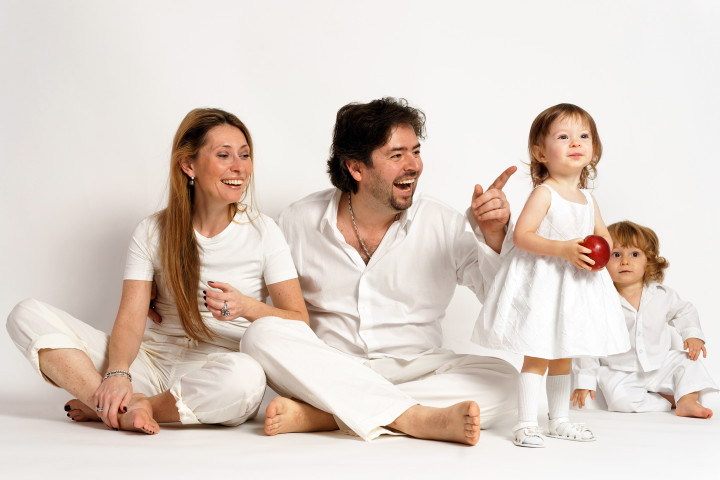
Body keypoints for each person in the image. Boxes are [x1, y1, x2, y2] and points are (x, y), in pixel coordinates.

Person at [6, 108, 308, 434]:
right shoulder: (152, 230)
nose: (240, 167)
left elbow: (298, 321)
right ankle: (111, 402)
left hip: (217, 369)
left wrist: (247, 306)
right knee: (25, 315)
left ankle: (134, 406)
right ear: (188, 165)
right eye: (224, 155)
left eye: (245, 155)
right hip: (149, 363)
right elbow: (131, 316)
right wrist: (118, 372)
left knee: (247, 379)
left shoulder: (264, 232)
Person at [239, 97, 519, 446]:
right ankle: (415, 418)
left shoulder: (442, 222)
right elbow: (254, 299)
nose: (413, 165)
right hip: (329, 367)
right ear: (356, 169)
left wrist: (494, 237)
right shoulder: (297, 221)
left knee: (507, 378)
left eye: (415, 151)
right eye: (396, 155)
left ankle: (326, 415)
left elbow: (502, 302)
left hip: (418, 367)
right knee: (260, 335)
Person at [471, 103, 631, 448]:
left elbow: (604, 235)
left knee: (565, 353)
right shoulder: (545, 192)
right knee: (538, 352)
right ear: (540, 152)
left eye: (583, 136)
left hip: (575, 288)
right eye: (563, 136)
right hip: (545, 286)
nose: (576, 142)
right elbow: (522, 236)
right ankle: (526, 423)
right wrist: (564, 249)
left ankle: (558, 420)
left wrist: (602, 248)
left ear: (594, 148)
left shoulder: (588, 199)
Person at [572, 220, 717, 417]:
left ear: (648, 260)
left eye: (634, 254)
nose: (625, 261)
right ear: (603, 261)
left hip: (658, 364)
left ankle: (687, 400)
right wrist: (585, 381)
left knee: (688, 362)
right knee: (621, 400)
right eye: (616, 255)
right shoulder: (599, 302)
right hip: (619, 370)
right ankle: (669, 401)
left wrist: (692, 335)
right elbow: (588, 342)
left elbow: (685, 311)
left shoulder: (661, 294)